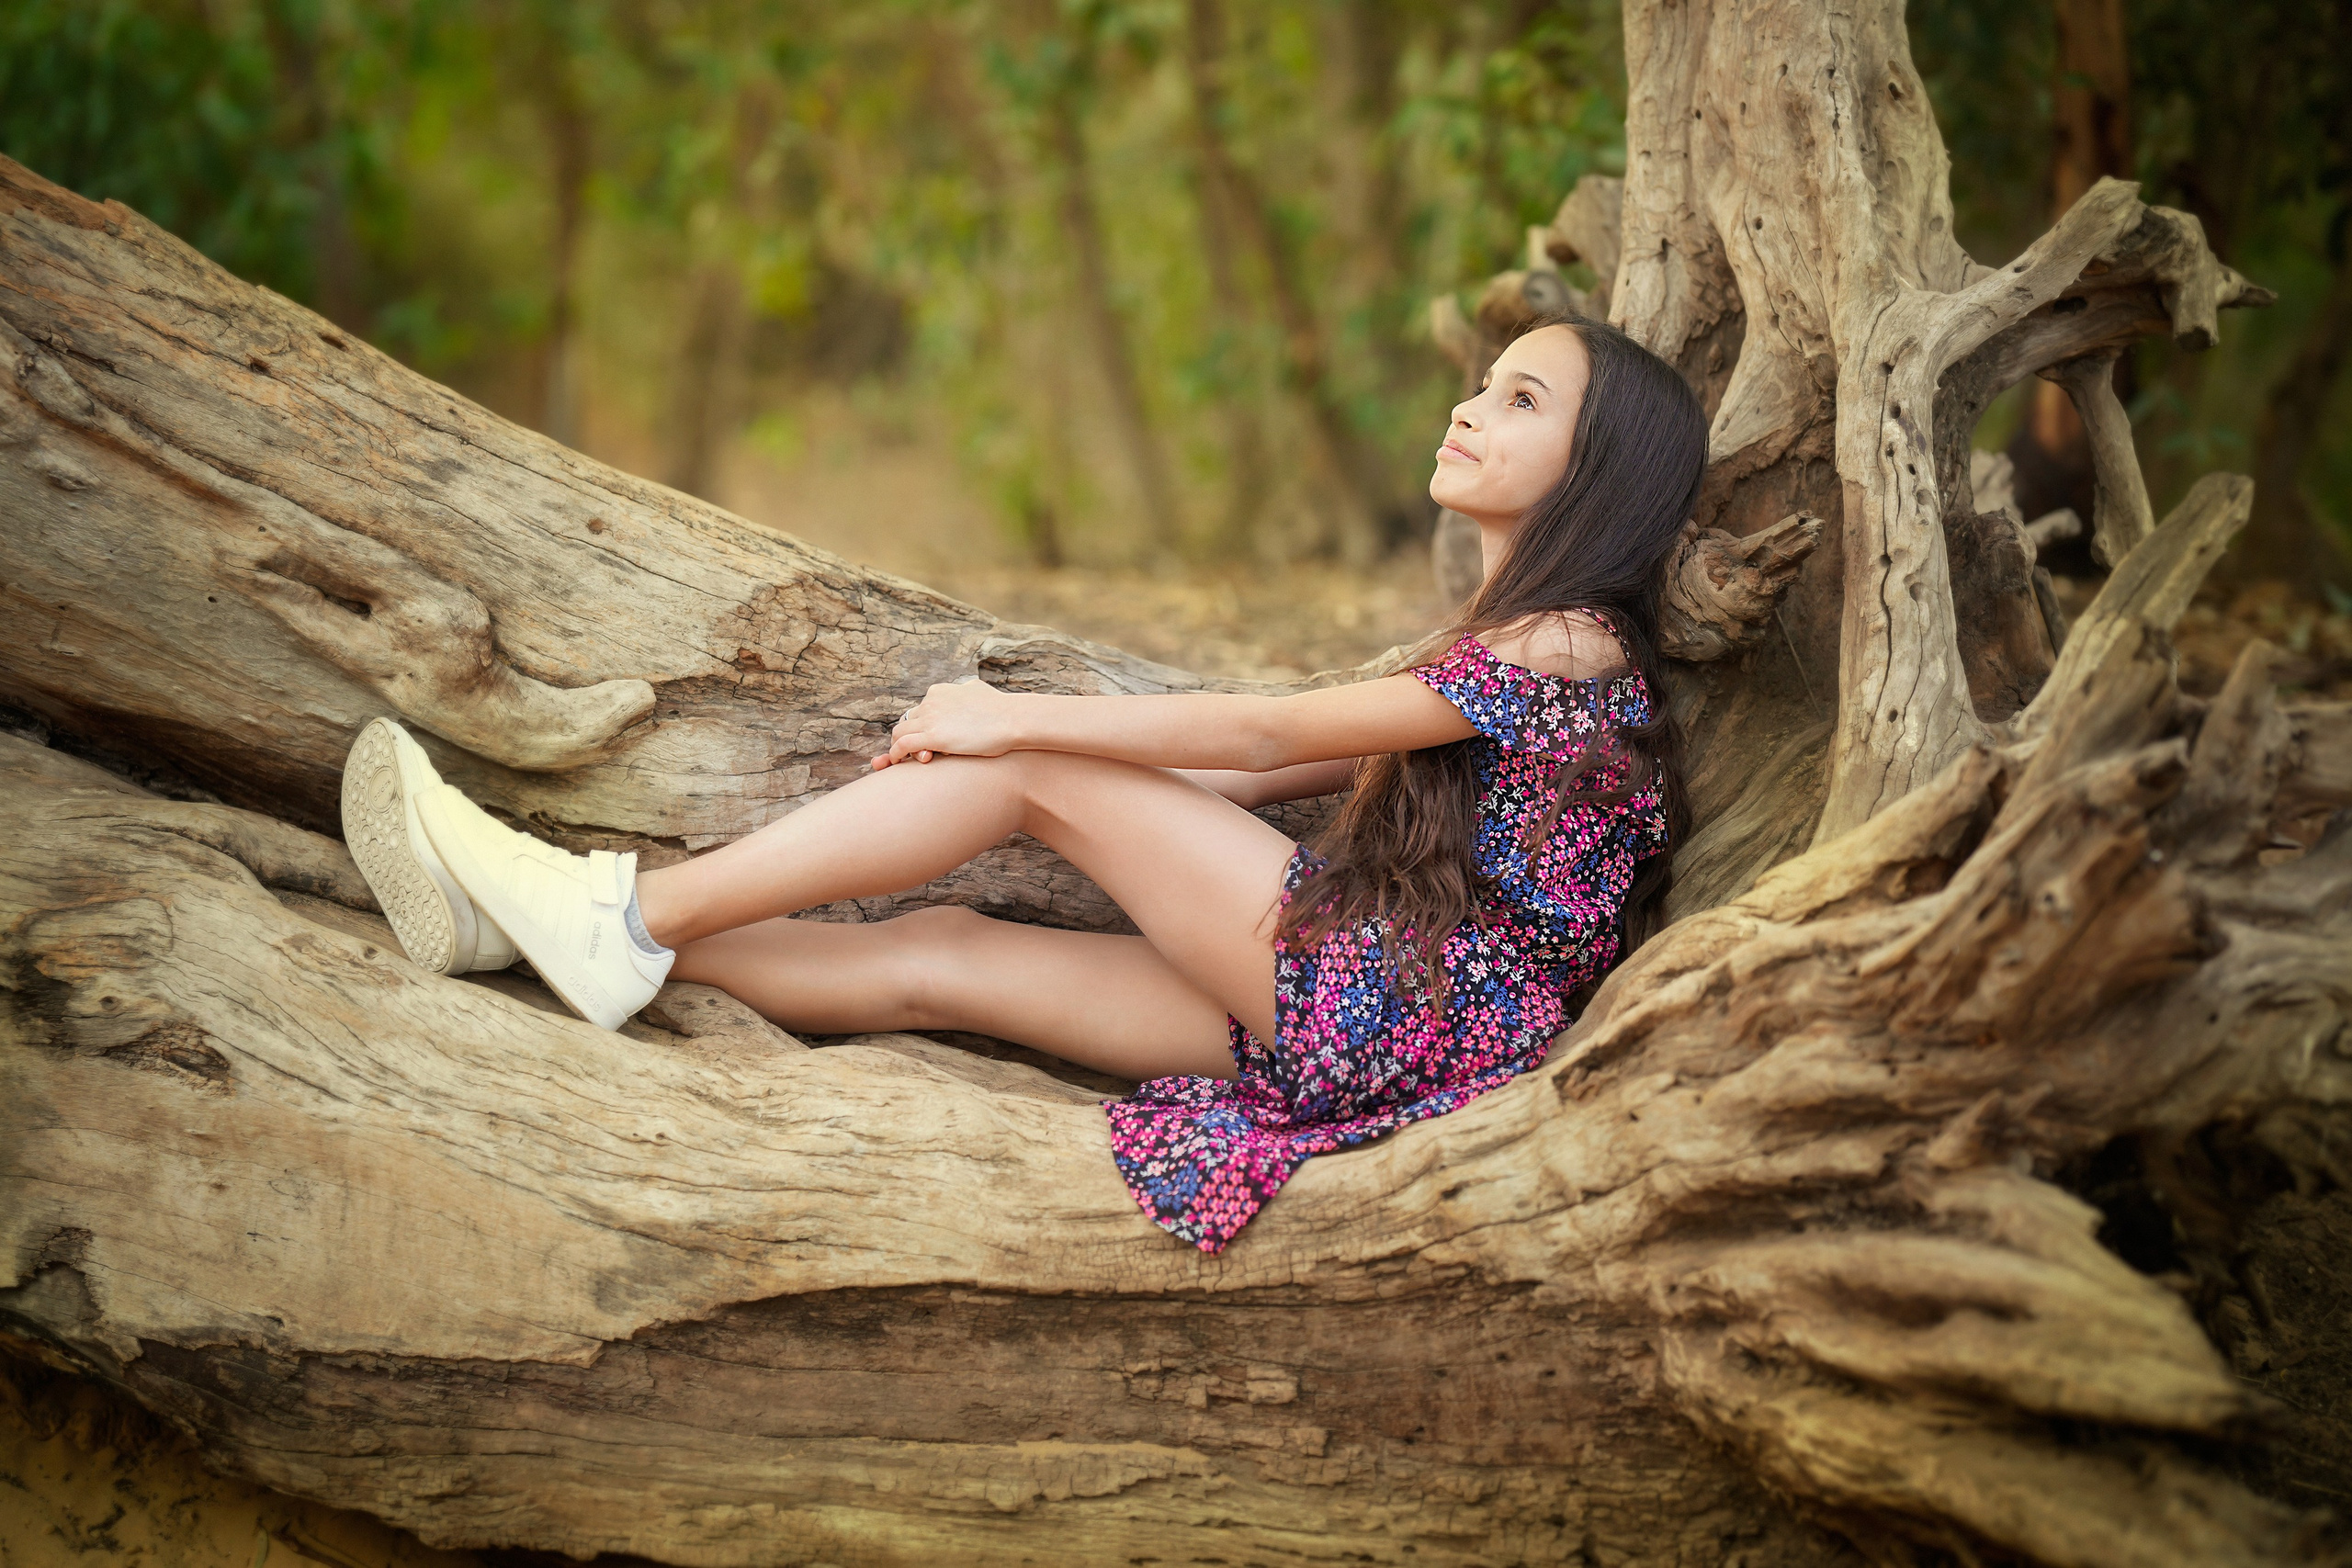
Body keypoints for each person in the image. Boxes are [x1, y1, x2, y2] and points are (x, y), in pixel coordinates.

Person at [339, 313, 1708, 1252]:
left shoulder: (1568, 639)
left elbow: (1250, 740)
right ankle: (530, 935)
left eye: (1522, 401)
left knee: (1036, 768)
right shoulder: (1509, 652)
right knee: (945, 957)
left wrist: (1013, 724)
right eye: (1486, 382)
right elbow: (1289, 759)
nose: (1470, 405)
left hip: (1420, 1007)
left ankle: (615, 912)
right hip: (1413, 1036)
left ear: (1597, 477)